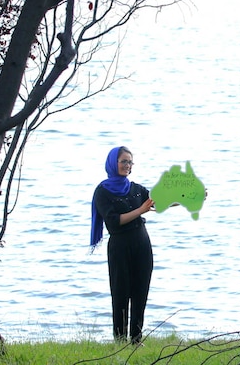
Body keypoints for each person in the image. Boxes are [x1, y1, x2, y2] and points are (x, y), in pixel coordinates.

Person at [90, 146, 155, 344]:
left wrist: (191, 198)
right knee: (120, 292)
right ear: (113, 163)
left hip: (142, 244)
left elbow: (158, 202)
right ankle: (119, 340)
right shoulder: (102, 192)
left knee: (140, 291)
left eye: (130, 162)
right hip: (120, 246)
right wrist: (141, 210)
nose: (127, 165)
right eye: (124, 161)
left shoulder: (135, 189)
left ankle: (136, 338)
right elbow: (114, 221)